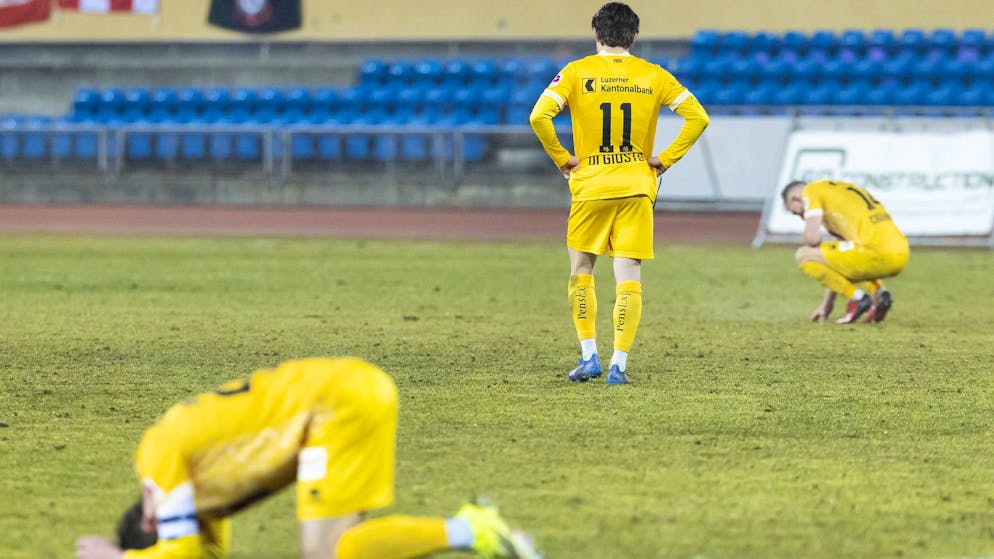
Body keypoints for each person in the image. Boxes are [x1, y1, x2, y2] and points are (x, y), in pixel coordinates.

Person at [75, 357, 541, 559]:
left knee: (328, 553)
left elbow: (178, 550)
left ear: (150, 521)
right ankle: (473, 529)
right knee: (340, 543)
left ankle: (474, 528)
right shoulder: (204, 494)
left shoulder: (155, 457)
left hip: (333, 407)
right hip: (348, 391)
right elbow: (199, 551)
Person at [529, 2, 709, 384]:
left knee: (582, 271)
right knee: (629, 277)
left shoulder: (576, 72)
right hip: (636, 187)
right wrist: (665, 160)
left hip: (591, 186)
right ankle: (619, 366)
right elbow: (698, 117)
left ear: (596, 33)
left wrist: (563, 159)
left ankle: (589, 356)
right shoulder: (654, 75)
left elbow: (538, 116)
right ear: (635, 37)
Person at [781, 179, 909, 323]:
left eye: (796, 212)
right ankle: (880, 294)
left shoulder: (810, 192)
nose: (802, 217)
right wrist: (827, 304)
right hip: (901, 252)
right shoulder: (838, 190)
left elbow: (812, 239)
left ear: (795, 199)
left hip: (876, 254)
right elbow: (836, 263)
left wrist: (811, 223)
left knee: (803, 254)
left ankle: (858, 298)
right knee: (851, 252)